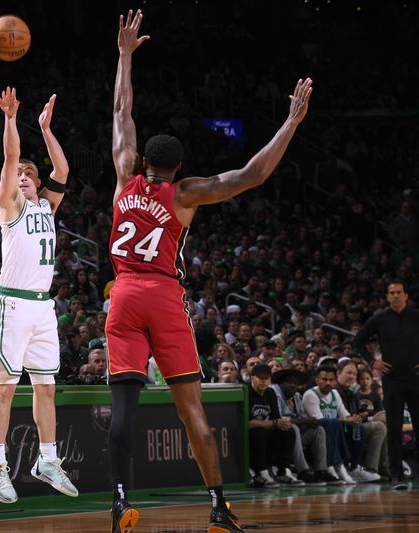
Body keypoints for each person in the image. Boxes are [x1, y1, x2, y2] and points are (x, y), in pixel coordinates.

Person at [106, 9, 312, 533]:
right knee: (190, 410)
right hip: (164, 296)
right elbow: (253, 173)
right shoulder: (187, 193)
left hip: (123, 294)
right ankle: (218, 506)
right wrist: (290, 121)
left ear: (142, 160)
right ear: (178, 166)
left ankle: (120, 500)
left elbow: (121, 110)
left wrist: (126, 56)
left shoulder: (122, 173)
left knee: (124, 402)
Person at [0, 85, 78, 504]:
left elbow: (63, 169)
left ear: (37, 184)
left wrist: (45, 128)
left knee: (46, 387)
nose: (21, 178)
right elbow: (8, 158)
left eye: (27, 175)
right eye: (17, 176)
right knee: (5, 387)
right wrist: (10, 119)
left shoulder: (46, 208)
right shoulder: (10, 208)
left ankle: (47, 459)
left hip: (43, 309)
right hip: (12, 304)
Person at [353, 281, 419, 490]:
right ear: (387, 297)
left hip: (415, 377)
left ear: (406, 295)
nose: (395, 296)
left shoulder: (416, 316)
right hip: (391, 380)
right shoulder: (380, 318)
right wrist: (373, 362)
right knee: (394, 429)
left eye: (399, 292)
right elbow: (358, 340)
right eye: (391, 293)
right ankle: (396, 475)